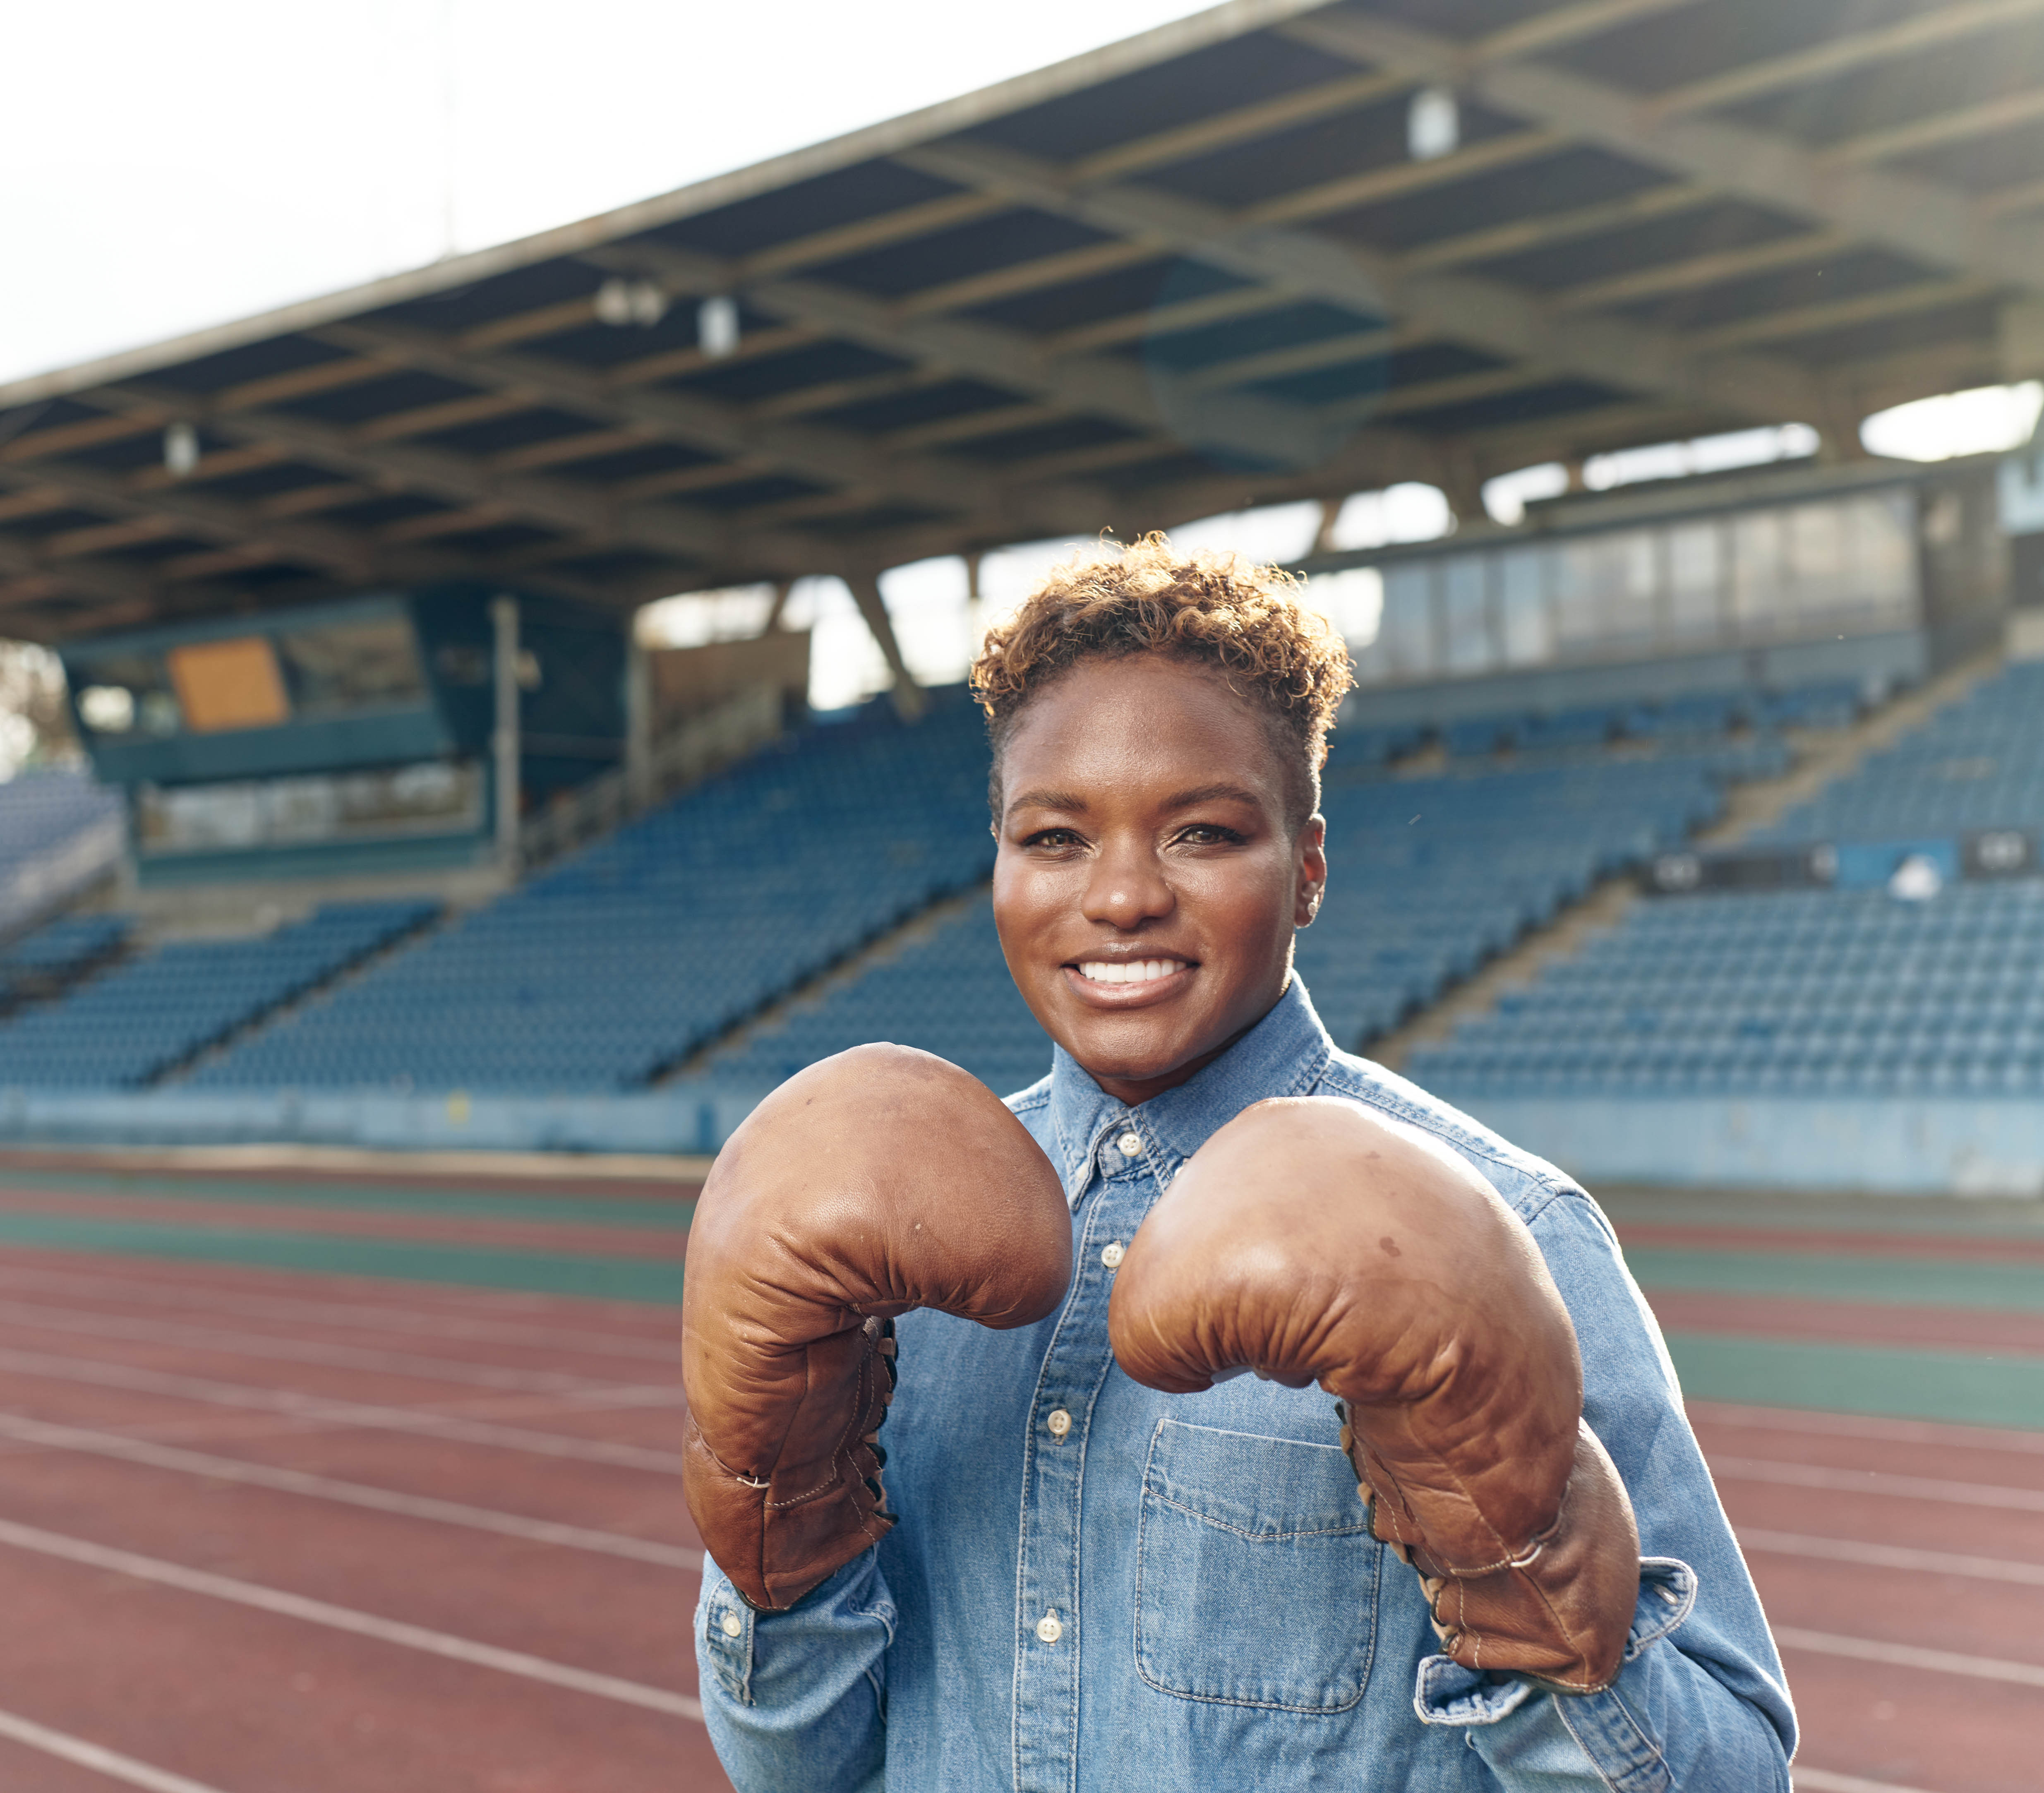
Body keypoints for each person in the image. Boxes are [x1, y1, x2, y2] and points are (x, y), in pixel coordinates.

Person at [688, 538, 1794, 1791]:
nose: (1118, 899)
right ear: (996, 861)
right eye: (1054, 837)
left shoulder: (1510, 1229)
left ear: (1306, 867)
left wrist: (1529, 1576)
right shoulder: (876, 1251)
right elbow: (796, 1771)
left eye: (1200, 834)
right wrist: (782, 1537)